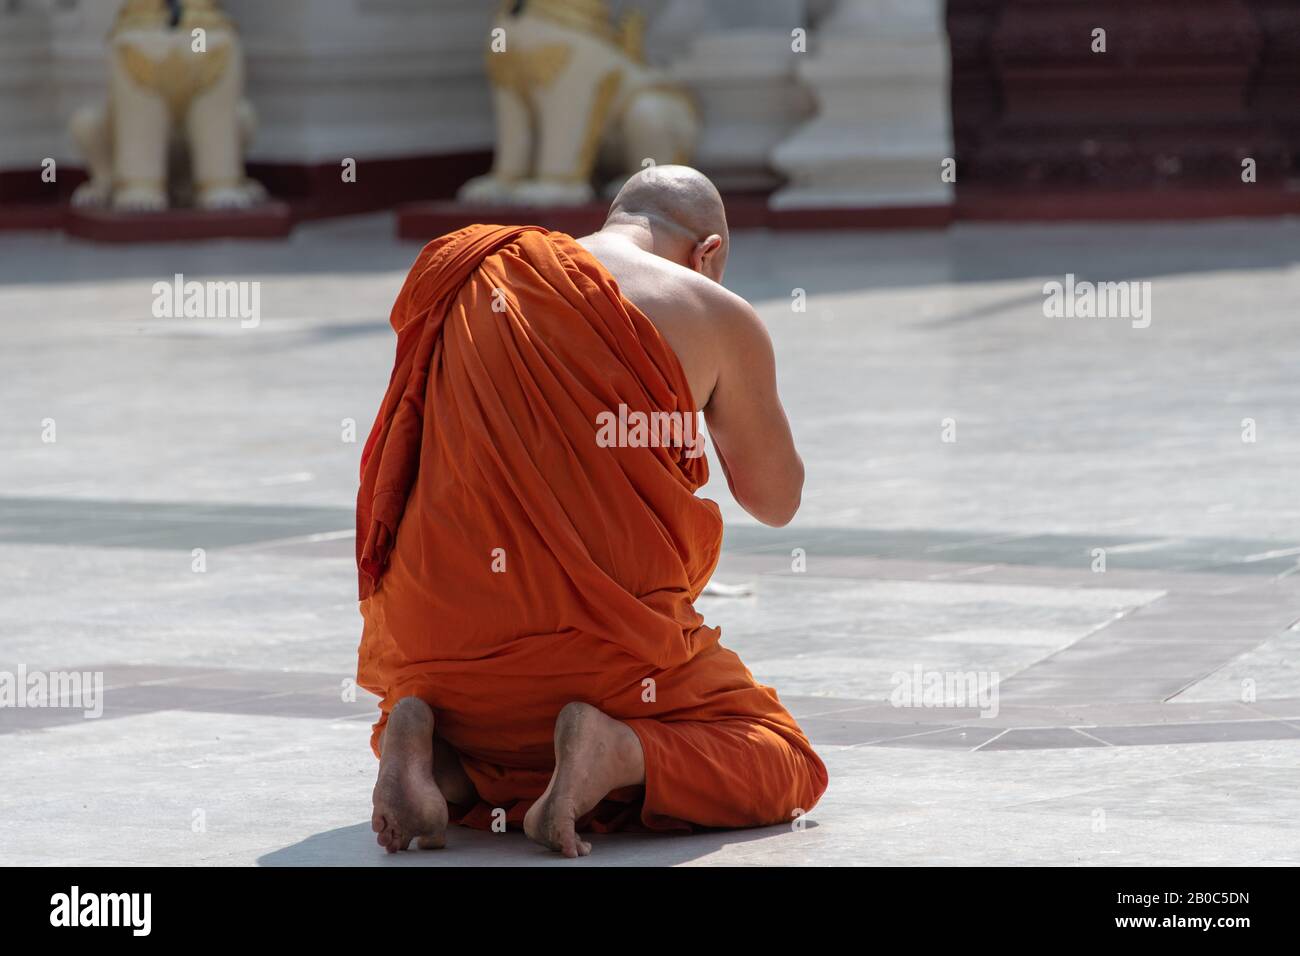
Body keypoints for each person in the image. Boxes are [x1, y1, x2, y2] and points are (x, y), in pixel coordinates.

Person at [358, 166, 826, 857]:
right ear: (711, 253)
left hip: (436, 656)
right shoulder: (713, 310)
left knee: (488, 724)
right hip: (607, 659)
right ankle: (616, 749)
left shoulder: (478, 271)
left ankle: (437, 759)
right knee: (782, 761)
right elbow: (776, 500)